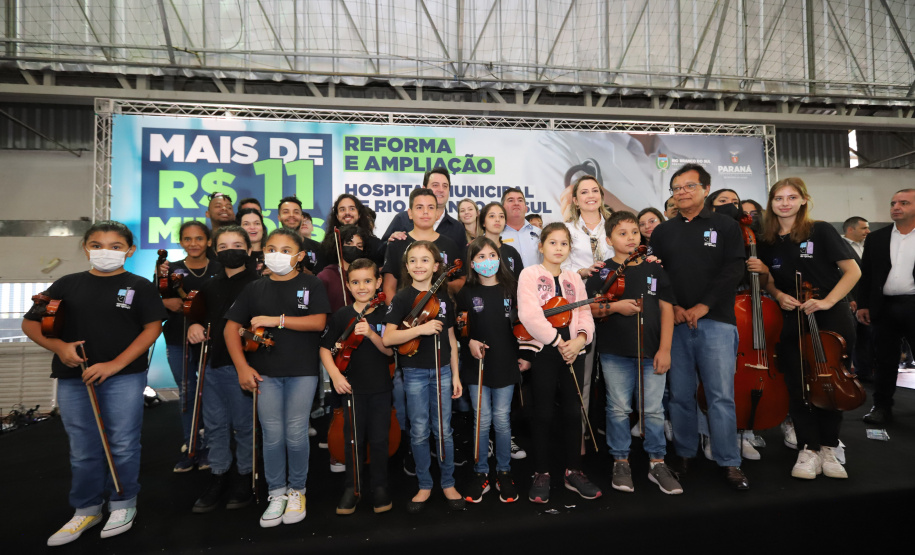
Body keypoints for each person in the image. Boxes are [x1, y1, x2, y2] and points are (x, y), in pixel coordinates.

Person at [23, 220, 166, 546]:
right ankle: (86, 508)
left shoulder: (140, 286)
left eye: (115, 246)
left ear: (129, 251)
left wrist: (115, 364)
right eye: (97, 245)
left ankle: (122, 503)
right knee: (83, 448)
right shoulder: (65, 284)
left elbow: (152, 329)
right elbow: (32, 324)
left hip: (124, 378)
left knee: (123, 443)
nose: (105, 252)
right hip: (75, 378)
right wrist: (60, 348)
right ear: (86, 248)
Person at [649, 164, 749, 490]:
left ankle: (729, 462)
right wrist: (676, 306)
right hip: (675, 325)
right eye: (676, 188)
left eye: (689, 186)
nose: (682, 192)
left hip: (716, 321)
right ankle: (685, 453)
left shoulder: (726, 226)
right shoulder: (663, 232)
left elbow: (734, 269)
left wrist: (704, 305)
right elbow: (658, 275)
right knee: (679, 396)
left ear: (706, 189)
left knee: (720, 396)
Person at [752, 177, 860, 479]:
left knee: (829, 384)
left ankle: (828, 447)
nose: (784, 203)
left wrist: (827, 302)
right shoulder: (767, 240)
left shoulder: (820, 230)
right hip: (791, 318)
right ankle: (808, 449)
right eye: (778, 198)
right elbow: (770, 282)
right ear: (771, 203)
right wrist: (777, 295)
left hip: (829, 318)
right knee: (798, 386)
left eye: (791, 197)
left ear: (803, 200)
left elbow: (853, 271)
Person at [224, 228, 331, 528]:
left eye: (285, 250)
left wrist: (278, 320)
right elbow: (230, 329)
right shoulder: (254, 288)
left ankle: (298, 490)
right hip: (265, 373)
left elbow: (318, 322)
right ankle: (276, 492)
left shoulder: (312, 283)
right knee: (271, 434)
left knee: (296, 432)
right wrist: (242, 367)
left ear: (298, 256)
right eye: (271, 249)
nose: (277, 255)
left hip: (302, 371)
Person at [587, 211, 681, 495]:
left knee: (653, 410)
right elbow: (590, 307)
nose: (630, 238)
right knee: (618, 409)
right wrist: (616, 307)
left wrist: (665, 349)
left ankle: (657, 462)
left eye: (634, 232)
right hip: (615, 352)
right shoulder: (602, 271)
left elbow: (667, 309)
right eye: (622, 233)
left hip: (652, 351)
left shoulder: (655, 268)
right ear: (608, 239)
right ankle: (620, 460)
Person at [517, 223, 599, 503]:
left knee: (573, 413)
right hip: (545, 351)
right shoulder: (529, 275)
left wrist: (580, 340)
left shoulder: (574, 278)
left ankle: (573, 470)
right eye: (552, 243)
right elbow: (529, 315)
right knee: (542, 413)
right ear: (541, 246)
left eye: (564, 243)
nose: (558, 248)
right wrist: (557, 342)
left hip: (574, 352)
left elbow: (585, 311)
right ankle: (541, 472)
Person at [382, 241, 466, 512]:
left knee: (444, 430)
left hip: (442, 371)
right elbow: (389, 337)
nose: (419, 265)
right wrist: (421, 329)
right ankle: (425, 484)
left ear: (436, 266)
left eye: (425, 260)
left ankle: (449, 482)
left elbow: (452, 341)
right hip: (414, 372)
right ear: (407, 267)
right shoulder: (403, 297)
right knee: (418, 430)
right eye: (414, 261)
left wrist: (455, 375)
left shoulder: (444, 300)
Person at [186, 225, 258, 512]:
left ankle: (243, 475)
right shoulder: (209, 285)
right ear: (215, 251)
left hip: (244, 365)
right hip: (213, 364)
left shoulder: (259, 283)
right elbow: (198, 315)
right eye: (224, 246)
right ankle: (218, 475)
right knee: (214, 427)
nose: (231, 251)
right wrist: (193, 324)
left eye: (237, 245)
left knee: (244, 427)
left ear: (249, 249)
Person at [319, 257, 395, 515]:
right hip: (351, 389)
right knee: (353, 440)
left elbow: (389, 352)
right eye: (355, 282)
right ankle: (352, 487)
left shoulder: (386, 313)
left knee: (380, 439)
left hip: (381, 388)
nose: (361, 287)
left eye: (367, 281)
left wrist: (372, 334)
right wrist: (335, 377)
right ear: (348, 286)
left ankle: (381, 487)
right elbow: (325, 349)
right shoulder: (342, 315)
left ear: (378, 283)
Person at [457, 237, 527, 503]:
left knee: (501, 419)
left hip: (506, 363)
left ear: (500, 258)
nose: (488, 262)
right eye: (481, 257)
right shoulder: (466, 291)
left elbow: (524, 325)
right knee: (481, 419)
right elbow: (460, 328)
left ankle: (504, 471)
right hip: (478, 365)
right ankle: (480, 472)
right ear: (473, 263)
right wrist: (470, 341)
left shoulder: (513, 288)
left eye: (492, 255)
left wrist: (525, 356)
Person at [160, 221, 222, 472]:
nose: (193, 243)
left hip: (212, 340)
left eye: (199, 239)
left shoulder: (219, 268)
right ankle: (191, 445)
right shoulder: (169, 270)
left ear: (208, 242)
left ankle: (212, 447)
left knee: (212, 395)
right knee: (187, 394)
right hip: (178, 339)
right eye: (187, 239)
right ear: (181, 242)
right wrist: (165, 302)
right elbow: (159, 301)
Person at [857, 189, 915, 425]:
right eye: (893, 203)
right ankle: (881, 407)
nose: (896, 207)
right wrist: (863, 305)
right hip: (884, 307)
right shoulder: (877, 238)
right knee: (884, 361)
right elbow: (866, 275)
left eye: (904, 202)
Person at [381, 188, 465, 301]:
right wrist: (398, 315)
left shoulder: (450, 244)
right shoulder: (397, 244)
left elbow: (462, 281)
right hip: (405, 315)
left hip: (442, 314)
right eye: (419, 207)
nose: (425, 211)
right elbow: (389, 288)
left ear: (437, 214)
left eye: (430, 207)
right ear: (410, 213)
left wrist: (439, 286)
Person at [381, 167, 468, 253]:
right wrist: (390, 243)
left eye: (445, 186)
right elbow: (380, 254)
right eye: (435, 185)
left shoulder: (457, 228)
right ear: (424, 188)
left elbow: (462, 262)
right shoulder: (402, 219)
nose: (441, 190)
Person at [324, 193, 385, 266]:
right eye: (342, 209)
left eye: (352, 209)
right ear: (337, 216)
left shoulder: (375, 244)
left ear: (359, 214)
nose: (347, 213)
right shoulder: (328, 245)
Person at [480, 202, 525, 281]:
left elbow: (520, 282)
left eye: (501, 216)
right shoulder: (473, 248)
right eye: (492, 216)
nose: (497, 220)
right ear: (483, 222)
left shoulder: (512, 252)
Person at [277, 196, 322, 274]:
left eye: (296, 212)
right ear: (279, 217)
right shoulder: (271, 247)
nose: (291, 215)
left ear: (301, 217)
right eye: (286, 212)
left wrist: (310, 276)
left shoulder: (318, 248)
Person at [501, 187, 542, 268]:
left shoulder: (540, 233)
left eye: (520, 200)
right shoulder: (495, 235)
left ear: (526, 208)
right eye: (511, 200)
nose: (516, 203)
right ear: (502, 208)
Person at [236, 207, 266, 275]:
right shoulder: (235, 255)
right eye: (246, 224)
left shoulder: (272, 254)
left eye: (257, 223)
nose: (252, 227)